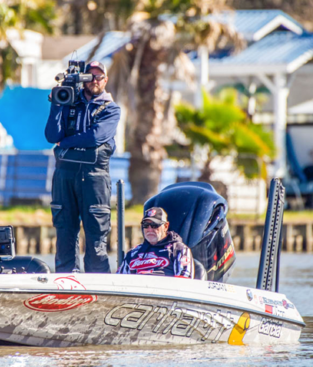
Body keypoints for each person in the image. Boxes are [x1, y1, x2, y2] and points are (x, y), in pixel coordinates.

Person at [44, 61, 121, 273]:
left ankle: (98, 288)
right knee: (64, 233)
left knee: (96, 237)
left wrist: (66, 143)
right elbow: (52, 135)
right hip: (64, 177)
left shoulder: (111, 109)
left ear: (105, 80)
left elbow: (96, 137)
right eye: (90, 76)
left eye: (99, 76)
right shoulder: (68, 102)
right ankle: (65, 285)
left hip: (95, 178)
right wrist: (57, 103)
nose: (94, 80)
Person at [117, 207, 206, 279]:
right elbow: (119, 280)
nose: (150, 230)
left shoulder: (179, 250)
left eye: (155, 225)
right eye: (145, 225)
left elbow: (184, 281)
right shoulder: (132, 253)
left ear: (166, 226)